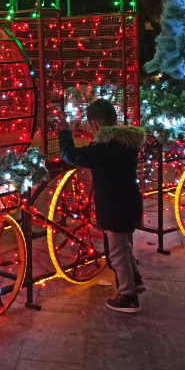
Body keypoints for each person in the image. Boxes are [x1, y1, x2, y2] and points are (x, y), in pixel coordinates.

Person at [58, 99, 146, 313]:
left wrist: (64, 132)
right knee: (125, 246)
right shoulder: (128, 144)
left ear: (94, 124)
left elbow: (69, 155)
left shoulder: (101, 150)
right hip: (131, 203)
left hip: (113, 207)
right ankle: (135, 280)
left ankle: (128, 297)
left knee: (116, 254)